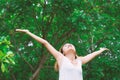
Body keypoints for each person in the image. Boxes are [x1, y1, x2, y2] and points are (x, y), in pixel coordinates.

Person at [16, 29, 109, 80]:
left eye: (71, 45)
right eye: (66, 46)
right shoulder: (61, 58)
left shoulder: (80, 60)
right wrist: (28, 32)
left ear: (75, 50)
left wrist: (100, 50)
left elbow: (91, 55)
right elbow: (45, 42)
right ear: (62, 52)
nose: (69, 46)